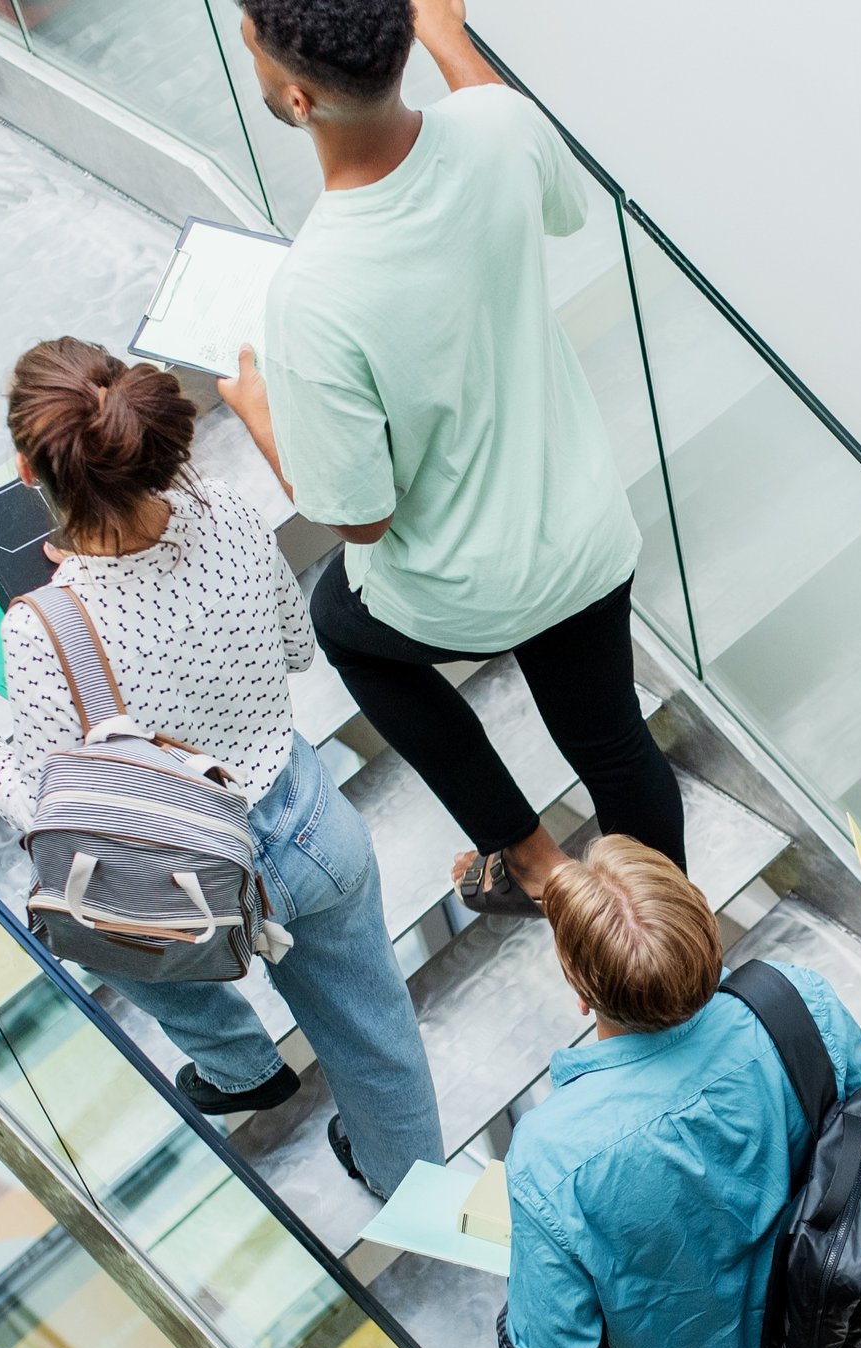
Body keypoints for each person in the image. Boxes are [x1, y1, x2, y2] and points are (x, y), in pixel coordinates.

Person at [0, 338, 441, 1199]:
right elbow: (293, 649)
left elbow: (52, 815)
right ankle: (411, 1189)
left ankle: (237, 1062)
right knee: (378, 1036)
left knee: (89, 908)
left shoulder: (43, 629)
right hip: (313, 828)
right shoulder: (231, 509)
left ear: (30, 472)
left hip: (183, 889)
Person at [219, 0, 685, 917]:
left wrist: (261, 415)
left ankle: (530, 858)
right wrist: (448, 39)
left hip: (472, 589)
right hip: (585, 537)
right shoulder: (499, 121)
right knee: (615, 744)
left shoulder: (313, 293)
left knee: (341, 622)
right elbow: (553, 188)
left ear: (299, 98)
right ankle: (670, 947)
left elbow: (361, 516)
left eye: (255, 48)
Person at [498, 836, 861, 1348]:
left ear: (580, 986)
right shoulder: (796, 1002)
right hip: (809, 1322)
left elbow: (556, 1344)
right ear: (705, 938)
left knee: (516, 1339)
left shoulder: (551, 1155)